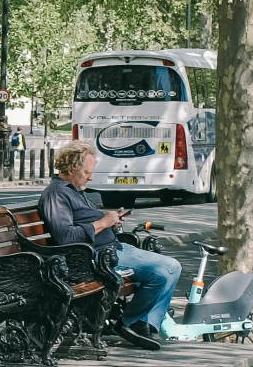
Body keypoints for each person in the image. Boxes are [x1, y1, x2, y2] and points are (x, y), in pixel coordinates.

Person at [40, 143, 182, 340]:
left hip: (112, 248)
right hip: (94, 258)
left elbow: (87, 223)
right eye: (87, 172)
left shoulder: (75, 190)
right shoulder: (56, 194)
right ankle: (130, 323)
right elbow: (66, 237)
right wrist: (102, 223)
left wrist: (111, 222)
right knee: (161, 274)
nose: (91, 177)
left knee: (173, 266)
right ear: (71, 169)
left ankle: (142, 323)